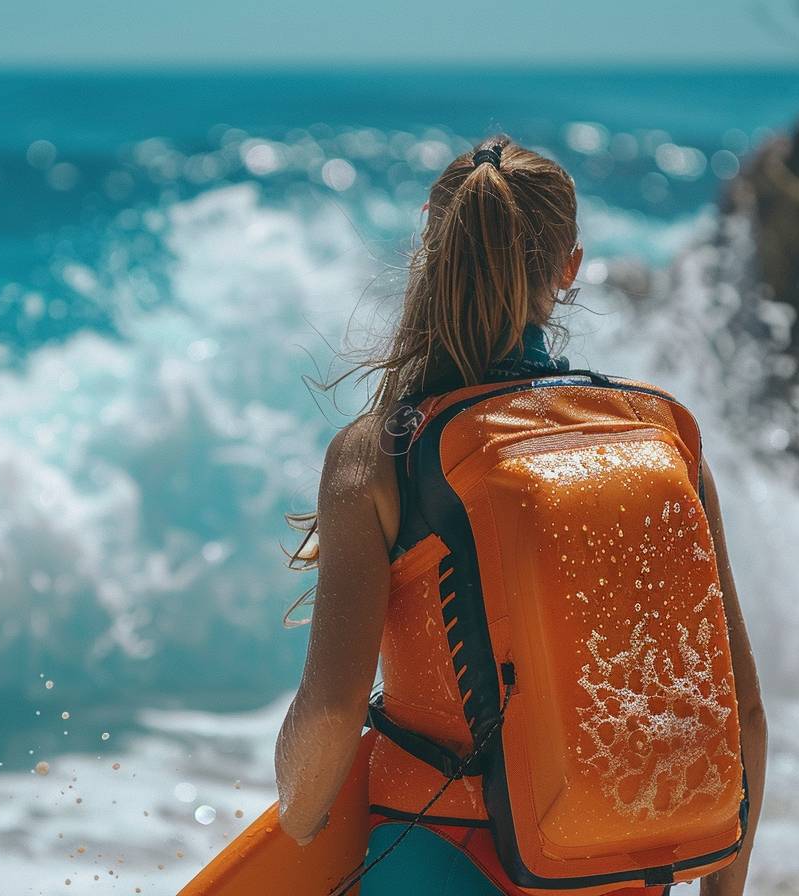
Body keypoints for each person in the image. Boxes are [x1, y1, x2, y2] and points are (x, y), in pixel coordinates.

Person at [274, 137, 767, 896]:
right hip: (621, 866)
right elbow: (742, 715)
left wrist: (299, 824)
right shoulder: (662, 436)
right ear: (569, 269)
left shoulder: (381, 453)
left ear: (429, 258)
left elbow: (333, 716)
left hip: (443, 852)